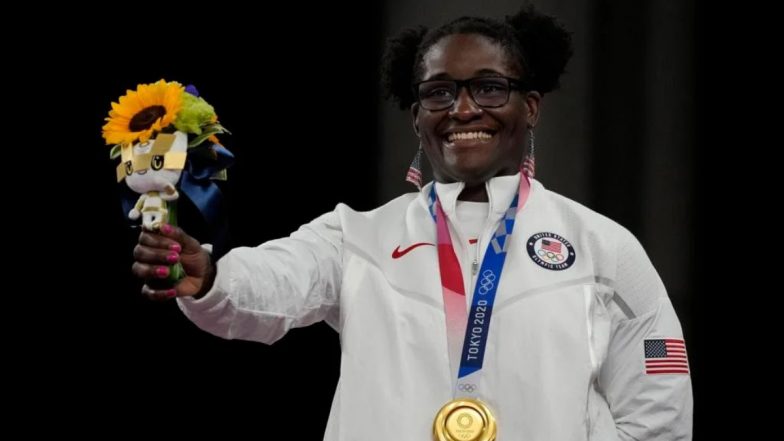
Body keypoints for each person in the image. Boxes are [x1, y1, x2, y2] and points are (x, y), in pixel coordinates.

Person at [131, 5, 692, 440]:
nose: (463, 110)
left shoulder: (600, 246)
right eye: (439, 92)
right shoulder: (358, 237)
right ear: (417, 114)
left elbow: (658, 410)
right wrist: (211, 280)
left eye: (490, 88)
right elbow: (272, 284)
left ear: (531, 107)